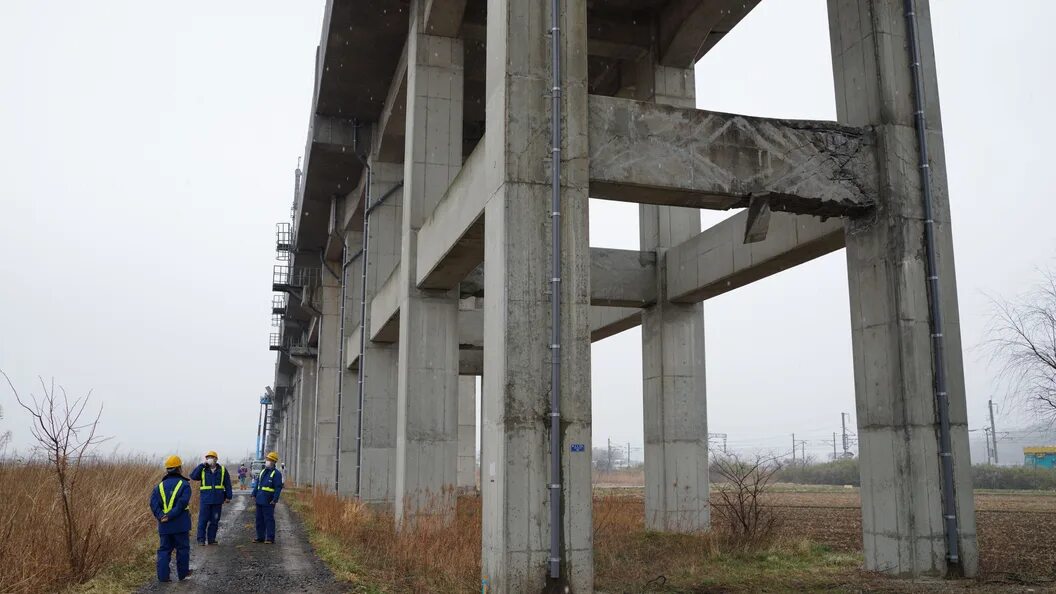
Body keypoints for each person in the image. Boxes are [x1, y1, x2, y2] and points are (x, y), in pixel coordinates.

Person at [149, 455, 193, 583]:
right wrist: (169, 515)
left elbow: (153, 504)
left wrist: (161, 516)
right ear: (179, 468)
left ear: (167, 469)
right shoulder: (184, 485)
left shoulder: (158, 486)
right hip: (180, 525)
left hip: (164, 525)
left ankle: (163, 577)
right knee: (182, 549)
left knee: (164, 550)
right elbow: (181, 504)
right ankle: (183, 574)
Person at [189, 450, 232, 545]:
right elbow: (193, 476)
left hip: (217, 500)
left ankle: (211, 539)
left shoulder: (223, 470)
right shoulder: (203, 470)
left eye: (211, 457)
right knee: (202, 520)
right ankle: (201, 540)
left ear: (216, 459)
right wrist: (201, 465)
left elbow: (227, 484)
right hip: (205, 500)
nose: (209, 459)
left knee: (215, 521)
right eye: (208, 458)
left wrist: (228, 496)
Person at [252, 451, 284, 544]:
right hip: (260, 499)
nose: (267, 461)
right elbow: (258, 485)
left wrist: (275, 499)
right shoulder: (263, 472)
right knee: (259, 519)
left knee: (269, 519)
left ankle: (270, 538)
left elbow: (278, 488)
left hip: (269, 500)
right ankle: (260, 537)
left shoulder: (276, 474)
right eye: (267, 459)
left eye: (269, 460)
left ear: (274, 462)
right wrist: (254, 494)